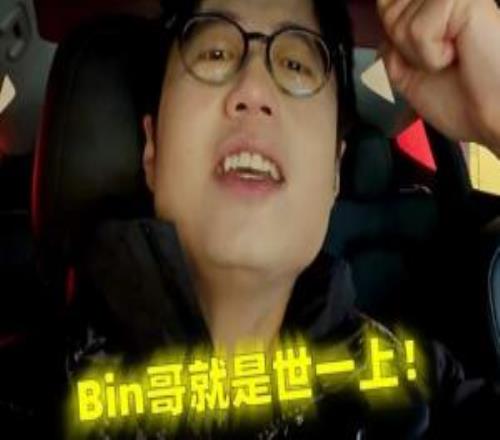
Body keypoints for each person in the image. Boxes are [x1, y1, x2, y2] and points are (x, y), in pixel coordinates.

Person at [63, 0, 500, 438]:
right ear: (152, 151)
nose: (254, 91)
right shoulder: (38, 387)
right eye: (215, 54)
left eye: (295, 65)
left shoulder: (415, 391)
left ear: (334, 172)